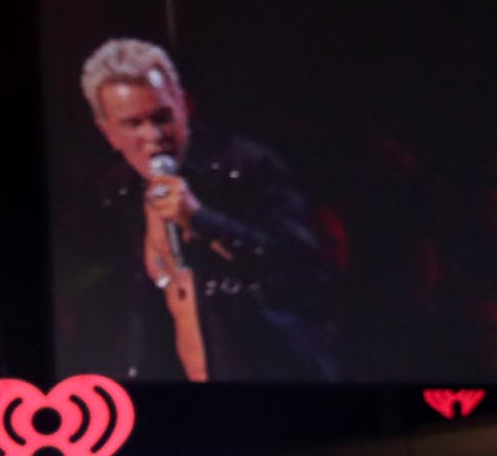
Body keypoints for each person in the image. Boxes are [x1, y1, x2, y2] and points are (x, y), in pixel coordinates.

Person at [60, 37, 336, 383]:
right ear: (108, 133)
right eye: (134, 124)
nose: (154, 135)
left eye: (162, 117)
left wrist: (203, 219)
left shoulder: (245, 169)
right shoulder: (113, 196)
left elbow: (306, 271)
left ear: (184, 105)